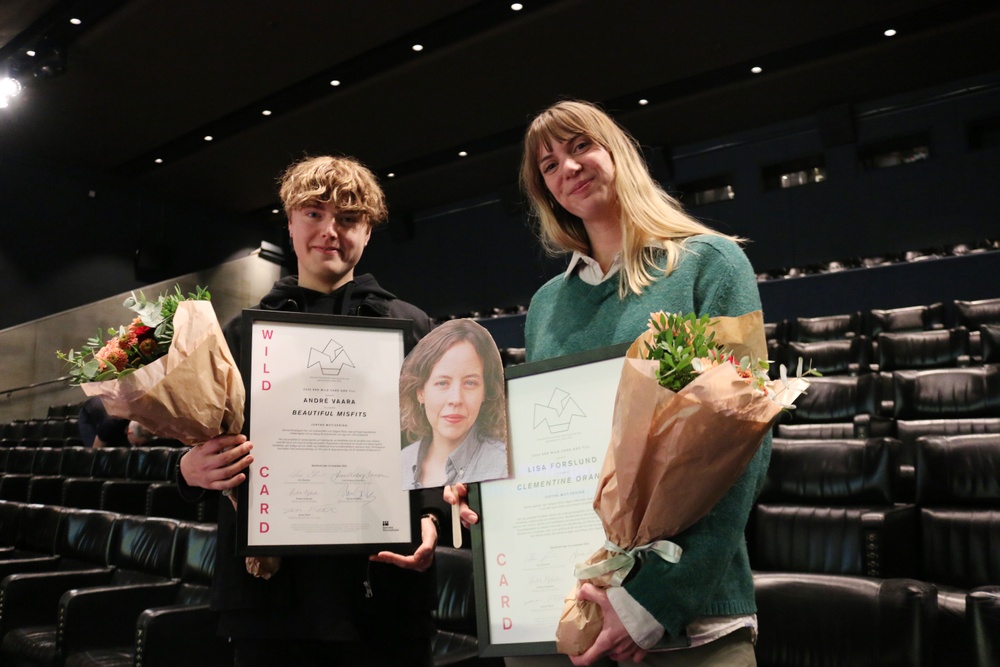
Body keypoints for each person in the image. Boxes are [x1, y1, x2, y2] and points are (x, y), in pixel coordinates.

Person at [446, 100, 768, 667]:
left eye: (579, 147)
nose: (567, 168)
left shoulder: (708, 263)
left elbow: (741, 445)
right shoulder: (547, 304)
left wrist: (651, 603)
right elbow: (544, 444)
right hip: (562, 612)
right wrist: (485, 484)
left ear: (617, 151)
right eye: (548, 165)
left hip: (686, 622)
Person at [176, 155, 441, 667]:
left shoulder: (411, 327)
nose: (330, 231)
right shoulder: (239, 333)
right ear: (291, 222)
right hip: (274, 602)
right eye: (315, 214)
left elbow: (434, 443)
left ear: (368, 231)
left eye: (348, 218)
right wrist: (189, 469)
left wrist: (430, 515)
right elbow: (206, 443)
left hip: (384, 589)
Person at [399, 318, 508, 489]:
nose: (456, 399)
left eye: (470, 383)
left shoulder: (504, 466)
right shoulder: (398, 465)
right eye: (442, 383)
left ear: (485, 392)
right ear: (420, 391)